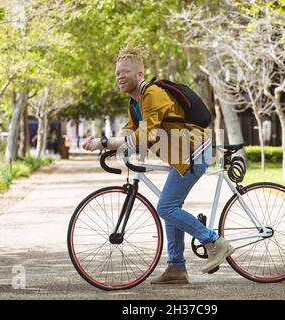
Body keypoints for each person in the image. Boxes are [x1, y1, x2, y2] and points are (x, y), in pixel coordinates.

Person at [82, 46, 234, 284]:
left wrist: (105, 142)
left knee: (166, 207)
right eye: (117, 73)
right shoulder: (135, 104)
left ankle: (214, 242)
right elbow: (129, 133)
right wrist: (108, 146)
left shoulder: (152, 94)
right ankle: (176, 269)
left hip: (196, 151)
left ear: (140, 74)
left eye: (125, 71)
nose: (119, 77)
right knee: (170, 208)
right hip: (180, 155)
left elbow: (146, 136)